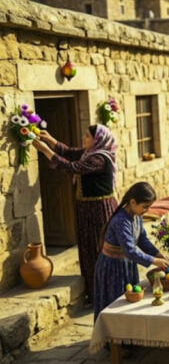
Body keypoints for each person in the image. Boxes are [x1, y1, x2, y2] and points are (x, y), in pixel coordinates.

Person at [32, 124, 118, 304]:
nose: (83, 138)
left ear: (97, 140)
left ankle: (105, 293)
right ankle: (93, 292)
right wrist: (51, 140)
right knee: (88, 250)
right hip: (87, 210)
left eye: (87, 136)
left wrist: (46, 151)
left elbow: (74, 167)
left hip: (98, 211)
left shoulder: (99, 159)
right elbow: (70, 152)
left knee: (98, 250)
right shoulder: (90, 153)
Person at [93, 182, 169, 320]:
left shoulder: (137, 216)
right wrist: (154, 261)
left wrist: (157, 254)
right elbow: (130, 250)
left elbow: (142, 240)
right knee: (115, 306)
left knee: (129, 303)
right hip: (112, 268)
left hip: (126, 266)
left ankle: (128, 337)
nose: (147, 210)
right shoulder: (121, 221)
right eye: (145, 207)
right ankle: (112, 338)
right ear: (133, 202)